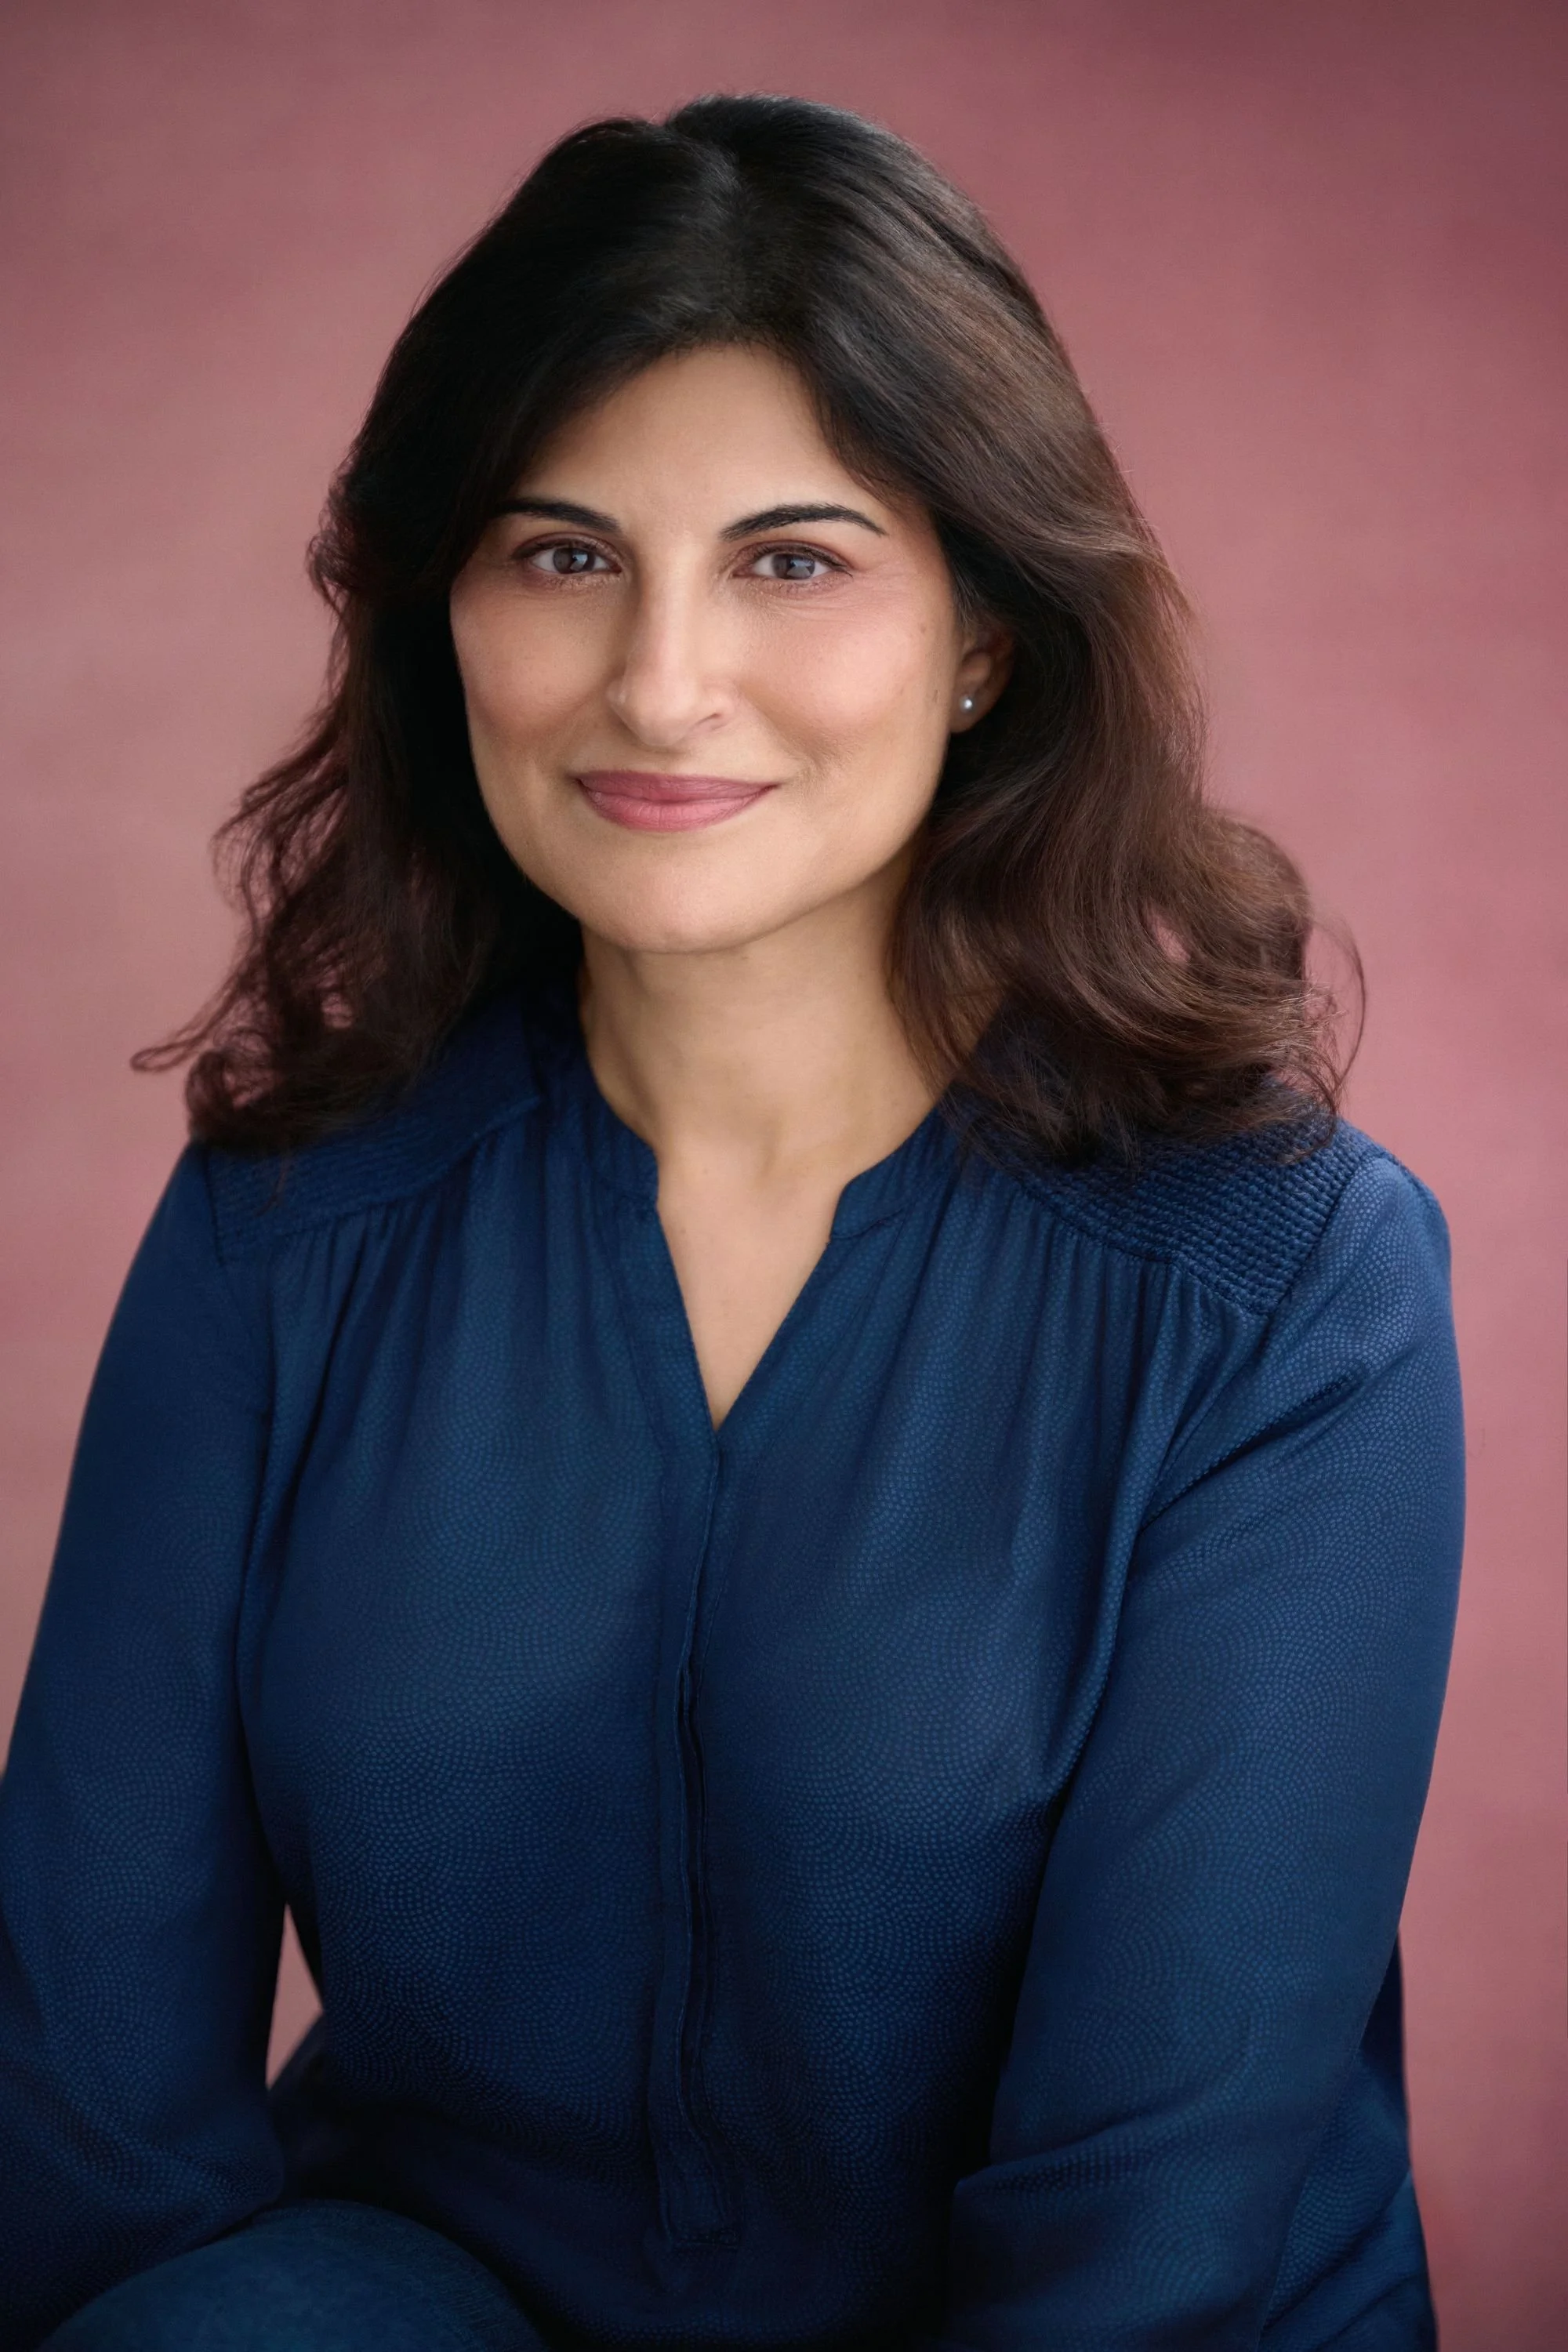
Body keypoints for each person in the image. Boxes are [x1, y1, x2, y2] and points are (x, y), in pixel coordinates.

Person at [0, 94, 1463, 2352]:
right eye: (563, 554)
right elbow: (94, 2108)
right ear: (446, 613)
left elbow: (1151, 2231)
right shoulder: (282, 1238)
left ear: (985, 636)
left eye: (793, 559)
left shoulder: (1281, 1289)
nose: (661, 684)